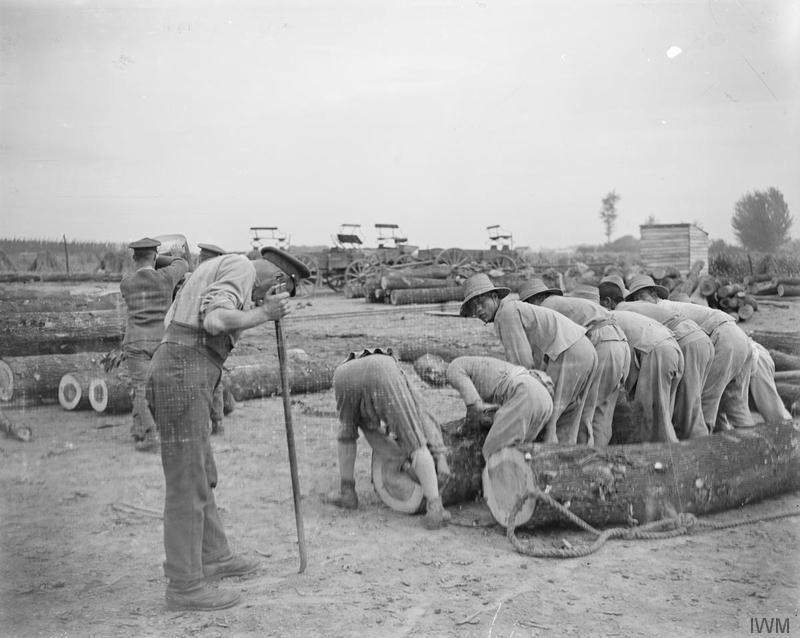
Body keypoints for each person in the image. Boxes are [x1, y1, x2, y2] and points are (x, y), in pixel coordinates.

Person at [145, 247, 308, 611]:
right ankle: (184, 586)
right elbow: (215, 321)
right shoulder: (240, 267)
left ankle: (213, 556)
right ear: (278, 278)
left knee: (201, 471)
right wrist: (264, 313)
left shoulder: (222, 268)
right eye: (278, 291)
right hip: (183, 372)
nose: (267, 296)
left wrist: (260, 311)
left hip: (185, 368)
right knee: (187, 479)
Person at [460, 274, 598, 444]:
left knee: (549, 419)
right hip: (585, 349)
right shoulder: (514, 309)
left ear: (494, 297)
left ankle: (546, 462)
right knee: (569, 418)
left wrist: (512, 397)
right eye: (473, 308)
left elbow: (521, 364)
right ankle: (572, 460)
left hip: (569, 352)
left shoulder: (506, 314)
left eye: (481, 303)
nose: (478, 310)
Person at [327, 348, 452, 529]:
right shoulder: (396, 373)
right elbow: (422, 412)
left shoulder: (361, 365)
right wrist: (440, 455)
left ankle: (347, 492)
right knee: (414, 441)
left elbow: (365, 431)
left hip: (343, 375)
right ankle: (435, 507)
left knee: (350, 429)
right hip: (381, 371)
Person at [518, 279, 629, 446]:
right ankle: (596, 456)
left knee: (585, 412)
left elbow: (539, 356)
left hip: (601, 342)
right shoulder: (560, 303)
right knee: (600, 412)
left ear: (532, 301)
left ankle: (588, 460)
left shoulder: (543, 309)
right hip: (619, 341)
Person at [614, 274, 714, 440]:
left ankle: (678, 452)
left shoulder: (623, 309)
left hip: (682, 342)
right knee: (687, 408)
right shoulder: (649, 308)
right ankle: (695, 447)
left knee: (665, 414)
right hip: (700, 339)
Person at [119, 237, 189, 452]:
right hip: (161, 341)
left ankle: (149, 434)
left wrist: (153, 261)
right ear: (155, 256)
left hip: (135, 341)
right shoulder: (165, 278)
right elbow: (183, 264)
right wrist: (166, 258)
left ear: (133, 258)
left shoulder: (126, 283)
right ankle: (150, 430)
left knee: (140, 389)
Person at [598, 277, 684, 443]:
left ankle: (659, 460)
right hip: (673, 346)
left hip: (658, 351)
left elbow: (623, 359)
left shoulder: (611, 316)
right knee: (663, 414)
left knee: (650, 417)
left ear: (607, 302)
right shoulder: (628, 312)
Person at [657, 295, 754, 431]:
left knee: (704, 404)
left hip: (724, 338)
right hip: (740, 336)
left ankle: (703, 446)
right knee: (736, 404)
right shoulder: (675, 306)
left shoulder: (658, 309)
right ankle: (752, 445)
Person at [446, 355, 554, 460]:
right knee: (519, 454)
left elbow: (476, 411)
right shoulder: (484, 369)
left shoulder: (455, 367)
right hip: (546, 402)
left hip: (526, 391)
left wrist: (463, 429)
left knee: (494, 454)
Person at [197, 243, 228, 435]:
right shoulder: (220, 278)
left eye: (203, 257)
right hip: (215, 336)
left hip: (206, 334)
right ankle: (217, 422)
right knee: (215, 379)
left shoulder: (208, 280)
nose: (200, 259)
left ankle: (214, 422)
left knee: (208, 380)